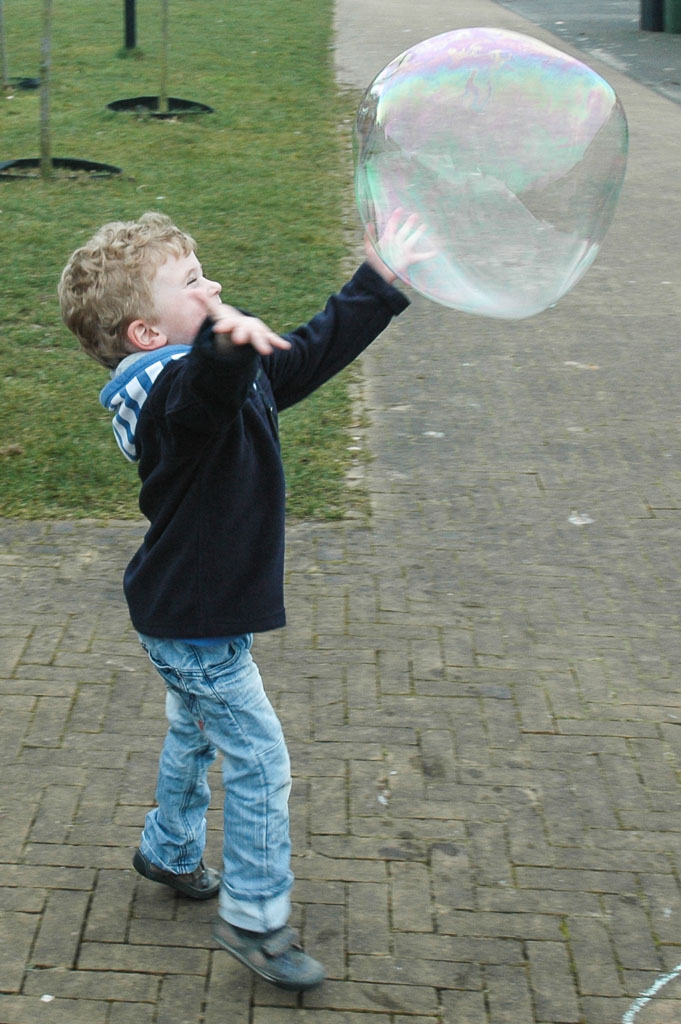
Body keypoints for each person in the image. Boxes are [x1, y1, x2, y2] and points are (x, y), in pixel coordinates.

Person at [58, 209, 429, 991]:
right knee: (258, 762)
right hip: (194, 622)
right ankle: (257, 921)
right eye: (192, 282)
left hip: (191, 614)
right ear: (146, 334)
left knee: (195, 734)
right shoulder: (171, 400)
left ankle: (168, 849)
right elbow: (206, 393)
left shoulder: (209, 369)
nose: (215, 284)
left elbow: (304, 357)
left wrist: (379, 286)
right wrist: (228, 344)